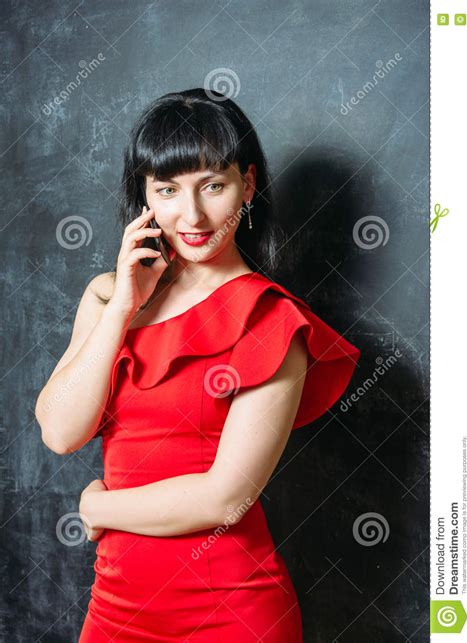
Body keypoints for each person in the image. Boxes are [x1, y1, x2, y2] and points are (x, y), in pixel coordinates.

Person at [36, 88, 360, 642]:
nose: (192, 215)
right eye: (167, 190)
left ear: (248, 185)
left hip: (229, 612)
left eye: (213, 185)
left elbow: (226, 498)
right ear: (145, 197)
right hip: (115, 608)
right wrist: (123, 309)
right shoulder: (107, 297)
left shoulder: (273, 320)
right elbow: (61, 432)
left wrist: (100, 506)